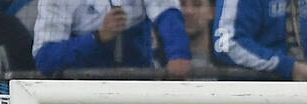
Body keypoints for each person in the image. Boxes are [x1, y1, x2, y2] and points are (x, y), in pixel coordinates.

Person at [33, 0, 192, 76]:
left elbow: (167, 13)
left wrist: (178, 53)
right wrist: (97, 38)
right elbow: (45, 58)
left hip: (137, 99)